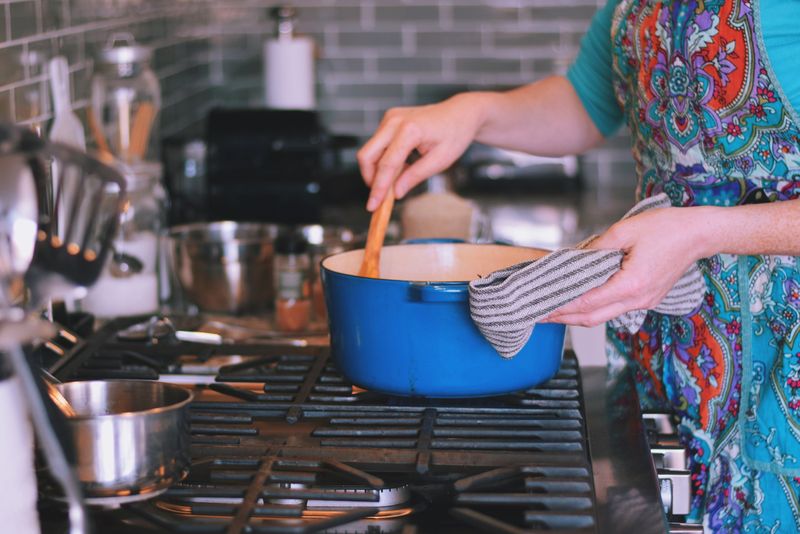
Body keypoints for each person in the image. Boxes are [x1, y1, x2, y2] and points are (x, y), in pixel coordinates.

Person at [357, 0, 800, 531]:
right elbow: (586, 104)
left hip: (782, 363)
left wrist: (704, 232)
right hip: (669, 339)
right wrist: (474, 112)